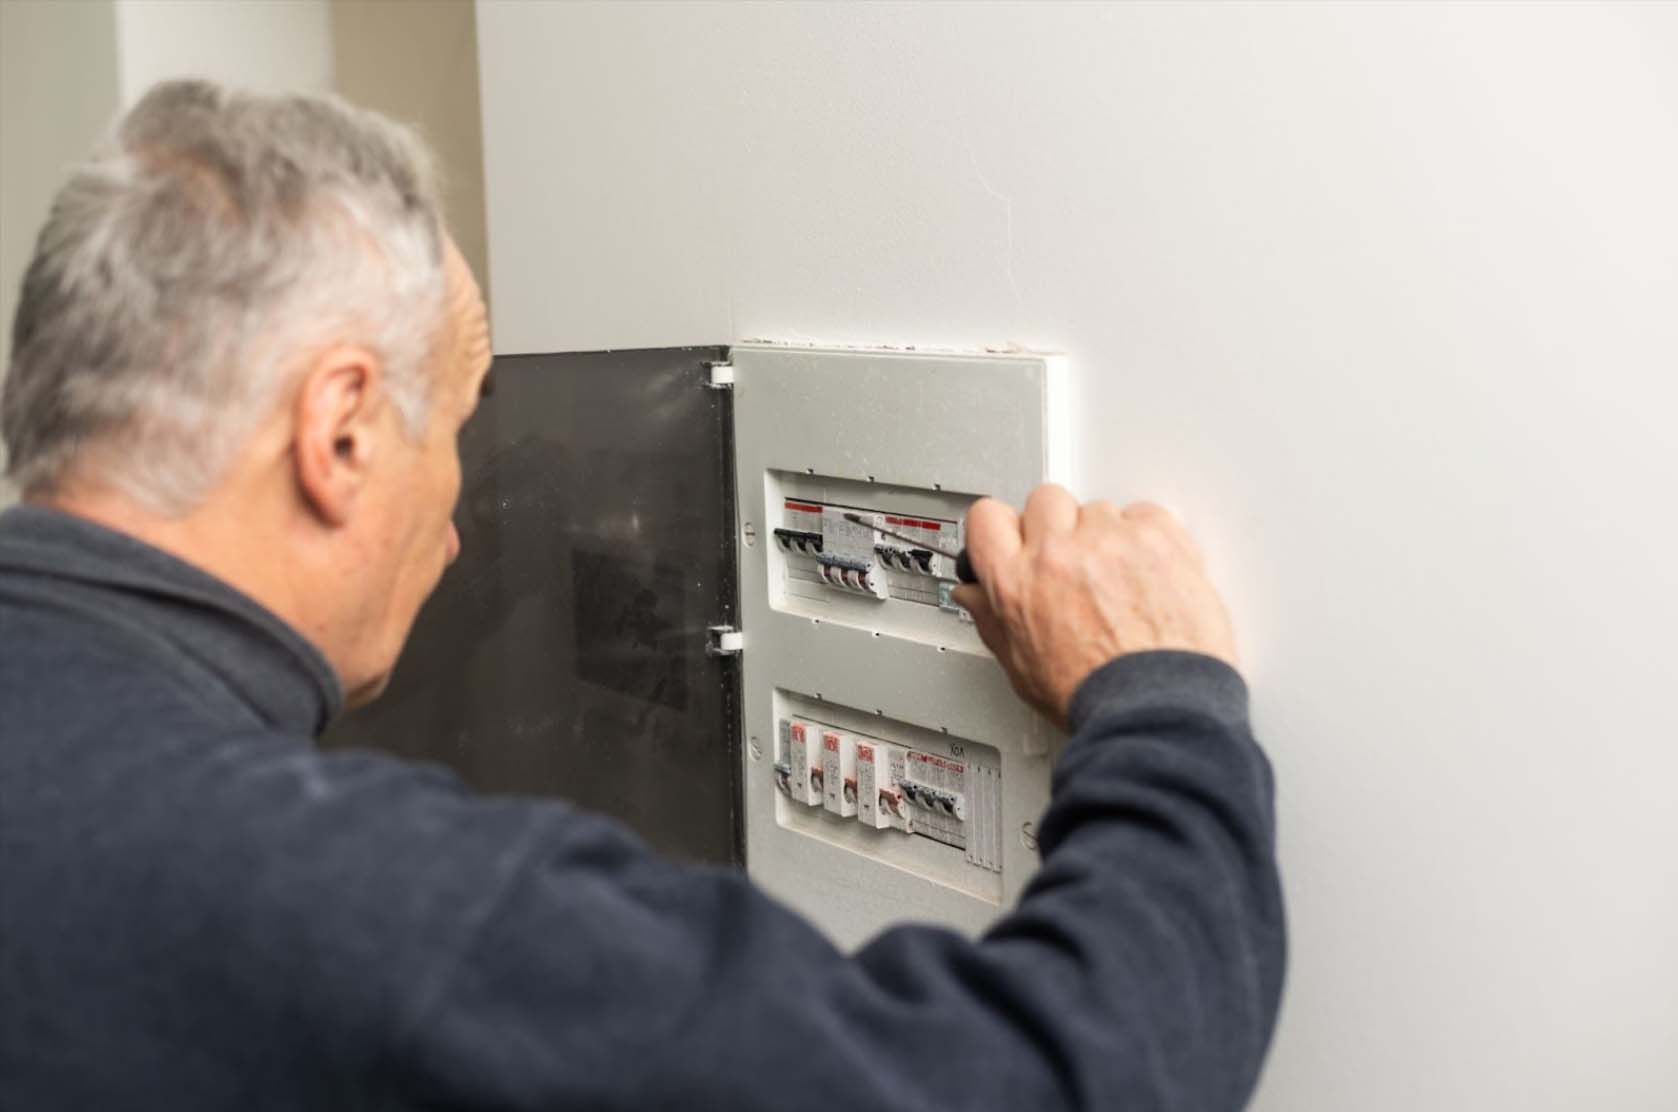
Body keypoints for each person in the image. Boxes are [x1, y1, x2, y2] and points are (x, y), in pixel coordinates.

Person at [0, 81, 1285, 1110]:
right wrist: (1158, 698)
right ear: (339, 432)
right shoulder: (368, 902)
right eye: (452, 429)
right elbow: (1068, 1077)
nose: (455, 529)